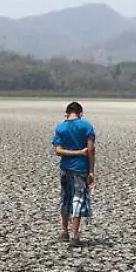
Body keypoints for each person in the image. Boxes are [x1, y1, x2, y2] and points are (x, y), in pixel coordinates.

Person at [51, 101, 95, 245]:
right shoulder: (86, 126)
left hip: (65, 168)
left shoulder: (60, 127)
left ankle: (65, 232)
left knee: (65, 198)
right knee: (77, 199)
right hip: (80, 168)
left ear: (67, 113)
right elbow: (90, 150)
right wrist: (91, 171)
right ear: (80, 113)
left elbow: (58, 151)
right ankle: (75, 236)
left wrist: (72, 153)